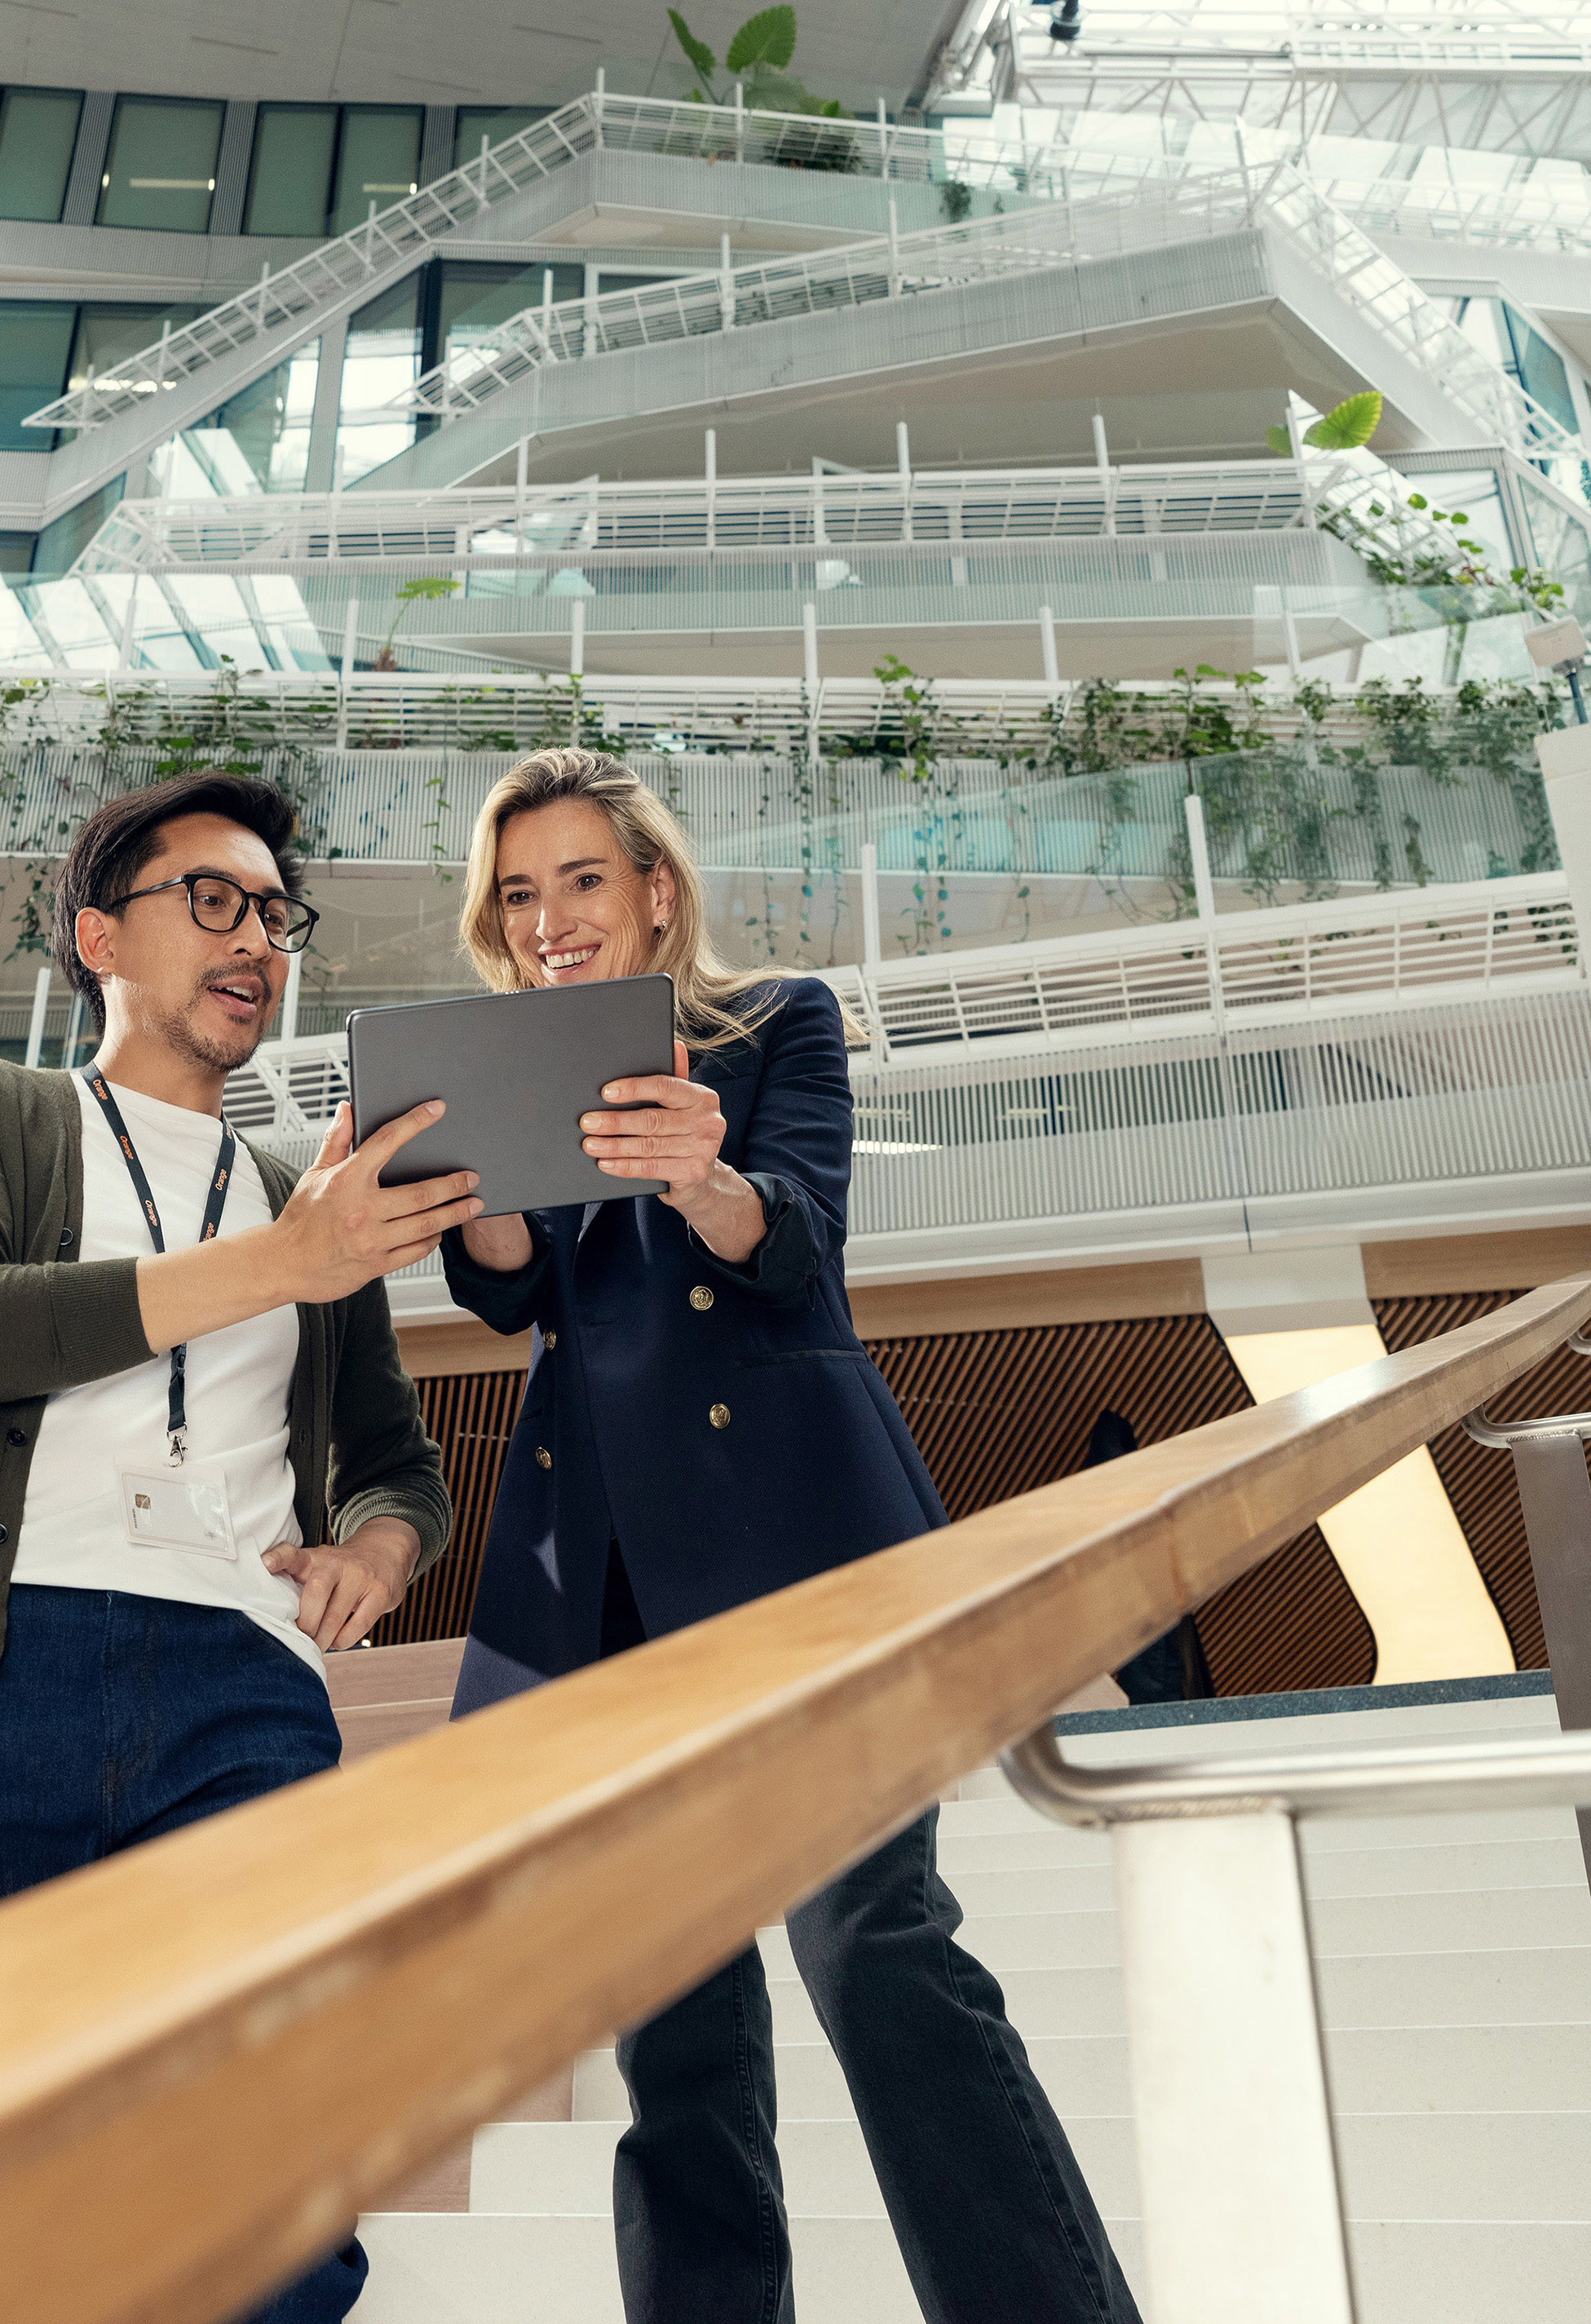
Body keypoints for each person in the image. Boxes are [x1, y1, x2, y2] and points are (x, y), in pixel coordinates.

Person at [436, 749, 1140, 2324]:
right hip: (604, 1578)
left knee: (875, 1949)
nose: (550, 917)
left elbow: (803, 1237)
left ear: (656, 889)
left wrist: (709, 1178)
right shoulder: (509, 1069)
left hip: (794, 1552)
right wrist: (467, 1202)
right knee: (671, 2015)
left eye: (583, 879)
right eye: (520, 892)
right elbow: (518, 1290)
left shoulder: (776, 1026)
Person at [0, 770, 471, 2324]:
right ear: (99, 934)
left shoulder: (305, 1198)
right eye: (214, 900)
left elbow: (395, 1464)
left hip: (242, 1697)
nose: (258, 937)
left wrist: (379, 1550)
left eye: (275, 912)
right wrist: (282, 1261)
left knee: (270, 2203)